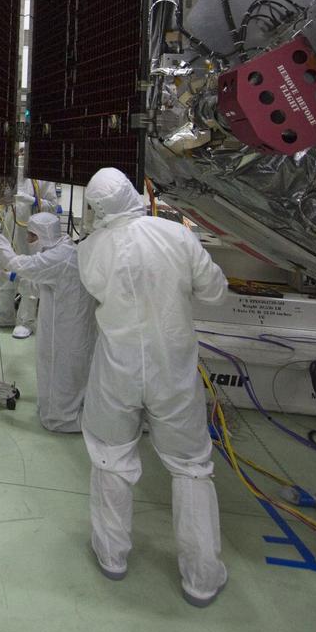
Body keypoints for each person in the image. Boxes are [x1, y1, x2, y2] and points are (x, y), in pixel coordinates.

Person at [76, 167, 229, 607]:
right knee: (190, 466)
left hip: (116, 369)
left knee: (110, 457)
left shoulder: (90, 251)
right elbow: (215, 291)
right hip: (173, 371)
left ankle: (112, 556)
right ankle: (201, 577)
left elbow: (97, 289)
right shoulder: (176, 236)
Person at [0, 209, 96, 432]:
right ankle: (52, 409)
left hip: (67, 331)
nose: (28, 241)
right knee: (50, 368)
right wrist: (11, 277)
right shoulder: (60, 250)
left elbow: (20, 263)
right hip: (57, 325)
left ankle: (64, 420)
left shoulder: (61, 256)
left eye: (31, 236)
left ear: (45, 235)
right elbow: (41, 280)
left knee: (62, 372)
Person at [11, 179, 59, 338]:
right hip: (10, 224)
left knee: (30, 274)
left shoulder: (41, 175)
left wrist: (30, 200)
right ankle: (3, 313)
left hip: (31, 229)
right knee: (4, 266)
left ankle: (25, 321)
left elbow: (52, 206)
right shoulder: (11, 167)